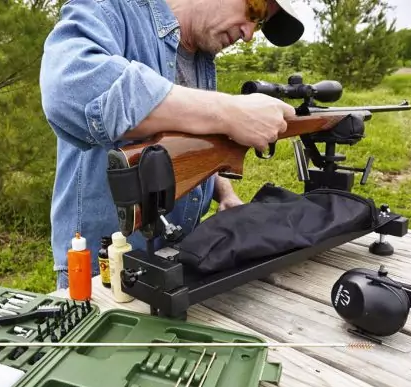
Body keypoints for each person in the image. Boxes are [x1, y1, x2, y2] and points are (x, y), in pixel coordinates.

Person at [39, 0, 304, 294]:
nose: (249, 33)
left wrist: (225, 193)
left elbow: (182, 143)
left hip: (180, 260)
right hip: (101, 269)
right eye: (254, 10)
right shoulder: (113, 8)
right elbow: (67, 89)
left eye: (260, 23)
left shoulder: (201, 58)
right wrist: (229, 112)